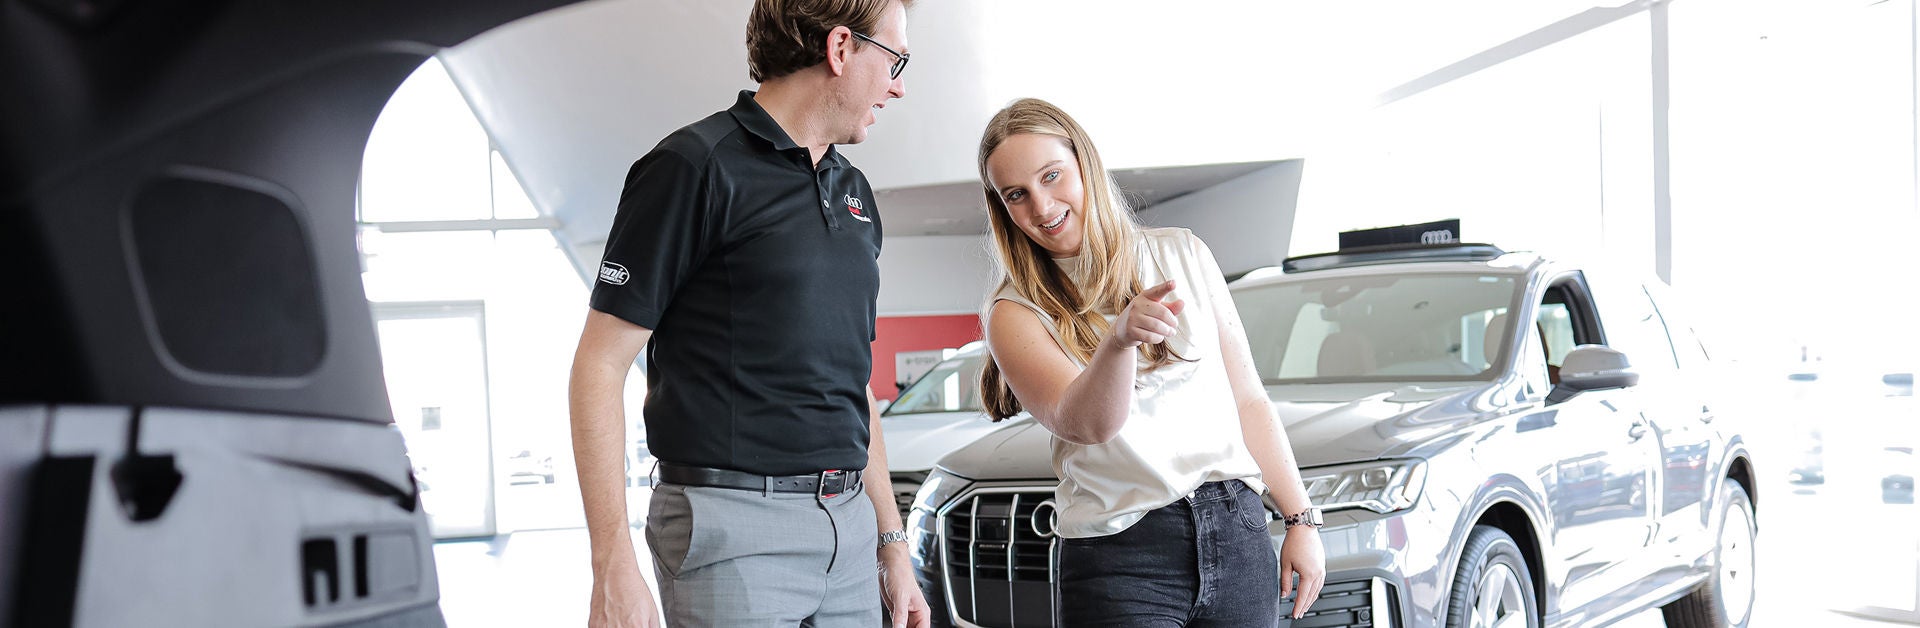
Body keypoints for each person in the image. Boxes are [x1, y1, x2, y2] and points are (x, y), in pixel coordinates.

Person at [566, 0, 929, 625]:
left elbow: (851, 385)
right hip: (731, 532)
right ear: (841, 47)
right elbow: (599, 365)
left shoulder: (854, 193)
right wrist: (610, 563)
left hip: (850, 532)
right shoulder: (692, 166)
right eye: (894, 59)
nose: (898, 86)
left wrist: (891, 545)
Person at [975, 98, 1327, 626]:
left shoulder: (1183, 253)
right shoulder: (1014, 311)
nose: (1042, 207)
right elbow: (1088, 425)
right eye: (1016, 195)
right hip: (1120, 555)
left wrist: (1301, 520)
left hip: (1237, 528)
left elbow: (1248, 399)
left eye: (1052, 176)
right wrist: (1117, 344)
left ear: (1085, 164)